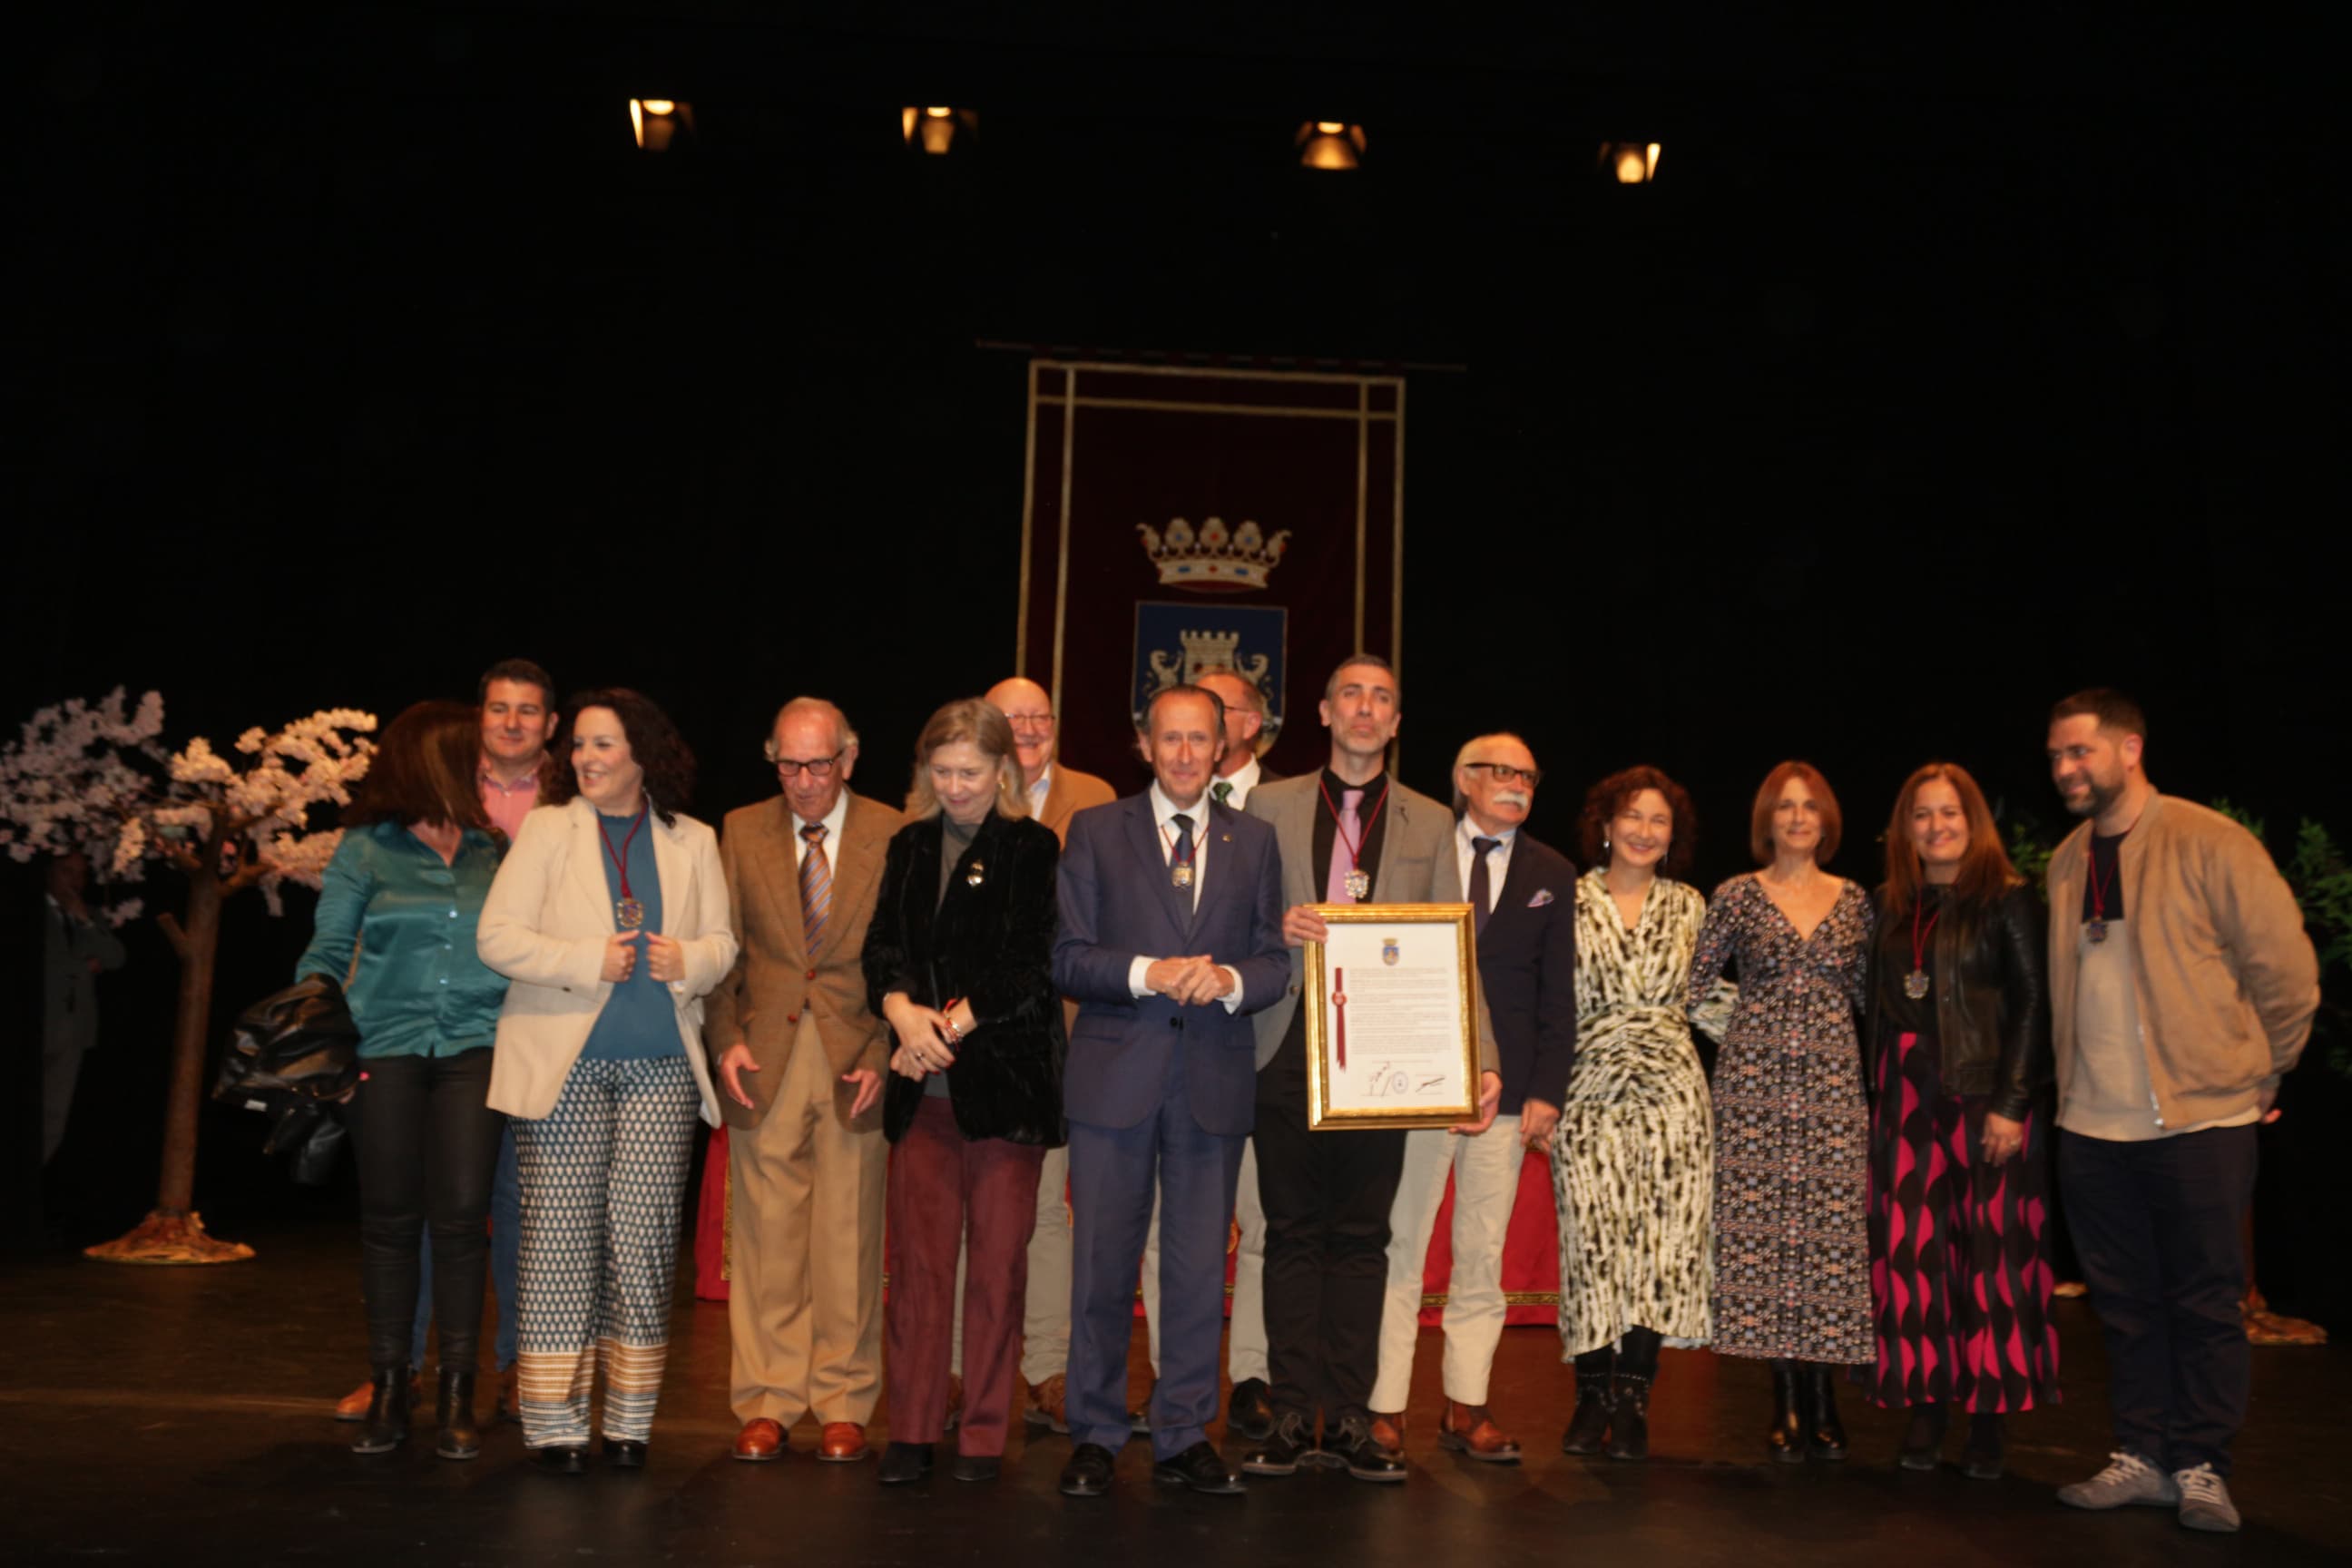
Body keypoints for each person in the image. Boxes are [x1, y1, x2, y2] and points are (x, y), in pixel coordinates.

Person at [2043, 691, 2317, 1533]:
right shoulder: (2065, 860)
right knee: (2124, 1305)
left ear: (2130, 748)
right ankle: (2142, 1454)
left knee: (2203, 1302)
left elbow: (2286, 971)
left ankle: (2202, 1465)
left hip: (2198, 1122)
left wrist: (2262, 1073)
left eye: (2079, 752)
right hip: (2092, 1127)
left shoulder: (2208, 841)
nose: (2064, 769)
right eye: (2055, 756)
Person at [1240, 654, 1502, 1484]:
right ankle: (1287, 1415)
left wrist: (1482, 1060)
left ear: (1395, 723)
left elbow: (1460, 945)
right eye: (1350, 693)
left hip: (1382, 1057)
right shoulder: (1267, 803)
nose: (1364, 708)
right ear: (1322, 711)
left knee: (1362, 1240)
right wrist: (1272, 928)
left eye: (1381, 698)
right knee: (1287, 1235)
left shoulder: (1429, 820)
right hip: (1284, 1046)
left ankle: (1350, 1418)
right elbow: (1234, 917)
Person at [477, 689, 737, 1474]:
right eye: (581, 745)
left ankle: (628, 1423)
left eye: (604, 745)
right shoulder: (550, 831)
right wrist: (589, 958)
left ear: (643, 755)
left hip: (660, 1067)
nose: (586, 759)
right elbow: (497, 938)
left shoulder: (692, 839)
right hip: (564, 1068)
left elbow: (723, 943)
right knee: (558, 1245)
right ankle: (554, 1427)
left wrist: (686, 961)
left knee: (643, 1242)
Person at [1052, 682, 1289, 1498]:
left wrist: (1225, 978)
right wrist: (1147, 972)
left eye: (1201, 739)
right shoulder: (1094, 830)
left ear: (1222, 748)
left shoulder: (1254, 841)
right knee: (1101, 1269)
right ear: (1143, 745)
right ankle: (1095, 1431)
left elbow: (1273, 963)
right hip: (1116, 1079)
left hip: (1211, 1083)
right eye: (1171, 739)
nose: (1186, 754)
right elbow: (1068, 956)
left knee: (1194, 1274)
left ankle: (1185, 1431)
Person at [336, 658, 560, 1428]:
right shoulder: (380, 842)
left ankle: (506, 1369)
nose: (507, 725)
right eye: (496, 709)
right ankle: (405, 1370)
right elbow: (333, 949)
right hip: (400, 1042)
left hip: (510, 1033)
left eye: (526, 711)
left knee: (502, 1208)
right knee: (408, 1214)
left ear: (549, 724)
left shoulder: (552, 810)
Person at [296, 701, 511, 1460]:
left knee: (459, 1221)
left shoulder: (495, 849)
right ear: (437, 762)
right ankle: (391, 1386)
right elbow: (325, 955)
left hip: (474, 1052)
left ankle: (458, 1392)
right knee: (389, 1222)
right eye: (471, 756)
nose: (485, 768)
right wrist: (322, 1054)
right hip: (382, 1050)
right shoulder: (366, 848)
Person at [862, 699, 1066, 1485]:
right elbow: (882, 946)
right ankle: (911, 1429)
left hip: (1004, 1093)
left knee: (995, 1271)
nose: (956, 787)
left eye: (971, 772)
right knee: (917, 1270)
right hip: (923, 1095)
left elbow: (1027, 964)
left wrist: (939, 1031)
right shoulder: (909, 846)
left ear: (1004, 771)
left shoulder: (1032, 846)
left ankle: (983, 1433)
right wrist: (899, 1010)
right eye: (942, 772)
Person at [705, 698, 904, 1464]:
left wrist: (887, 1052)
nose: (803, 780)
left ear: (849, 760)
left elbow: (910, 957)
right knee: (767, 1240)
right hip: (765, 1060)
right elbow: (722, 955)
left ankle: (845, 1398)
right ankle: (767, 1398)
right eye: (788, 764)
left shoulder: (893, 832)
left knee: (850, 1238)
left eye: (818, 764)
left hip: (857, 1055)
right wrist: (724, 1039)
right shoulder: (740, 829)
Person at [1367, 733, 1575, 1464]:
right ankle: (1384, 1406)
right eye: (1502, 771)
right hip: (1417, 1084)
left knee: (1480, 1254)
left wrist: (1549, 1088)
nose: (1517, 784)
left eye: (1528, 773)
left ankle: (1466, 1405)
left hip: (1511, 1093)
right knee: (1400, 1245)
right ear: (1464, 779)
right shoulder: (1421, 849)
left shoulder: (1554, 871)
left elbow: (1560, 994)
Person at [1864, 761, 2056, 1481]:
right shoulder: (1890, 903)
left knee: (1991, 1260)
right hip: (1904, 1097)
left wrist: (2013, 1104)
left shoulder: (2007, 899)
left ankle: (1987, 1422)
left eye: (1951, 813)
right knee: (1914, 1259)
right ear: (1904, 827)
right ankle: (1926, 1408)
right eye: (1922, 814)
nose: (1937, 826)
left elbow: (2035, 1005)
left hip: (1985, 1095)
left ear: (1974, 824)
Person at [1688, 760, 1874, 1463]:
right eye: (1784, 807)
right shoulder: (1736, 895)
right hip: (1755, 1089)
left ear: (1826, 820)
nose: (1797, 818)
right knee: (1766, 1245)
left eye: (1810, 807)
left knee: (1826, 1245)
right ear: (1766, 820)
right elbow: (1695, 985)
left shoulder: (1855, 899)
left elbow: (1867, 995)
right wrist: (1750, 1029)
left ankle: (1824, 1400)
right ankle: (1785, 1402)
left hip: (1831, 1085)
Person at [948, 676, 1112, 1436]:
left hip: (1066, 1036)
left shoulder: (1097, 795)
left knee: (1047, 1211)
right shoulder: (956, 794)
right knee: (963, 1210)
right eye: (1013, 719)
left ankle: (1046, 1366)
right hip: (968, 1035)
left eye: (1040, 716)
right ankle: (954, 1372)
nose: (1029, 729)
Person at [1552, 766, 1728, 1462]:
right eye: (1633, 816)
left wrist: (1787, 1037)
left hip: (1674, 1097)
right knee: (1591, 1244)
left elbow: (1709, 1001)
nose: (1645, 831)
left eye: (1660, 821)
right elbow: (1547, 1005)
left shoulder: (1691, 906)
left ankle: (1632, 1400)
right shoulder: (1564, 901)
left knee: (1661, 1250)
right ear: (1604, 824)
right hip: (1587, 1089)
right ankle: (1590, 1392)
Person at [1140, 662, 1281, 1438]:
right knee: (1174, 1234)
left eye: (1213, 717)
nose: (1193, 738)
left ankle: (1251, 1378)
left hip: (1264, 1047)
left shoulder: (1290, 808)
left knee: (1258, 1226)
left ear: (1244, 726)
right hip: (1165, 1055)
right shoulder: (1137, 818)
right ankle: (1173, 1382)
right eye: (1179, 724)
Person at [42, 849, 125, 1166]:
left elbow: (116, 958)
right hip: (37, 1022)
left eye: (81, 874)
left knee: (52, 1118)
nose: (75, 881)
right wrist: (81, 966)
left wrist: (87, 923)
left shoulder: (87, 916)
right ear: (49, 873)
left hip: (73, 1031)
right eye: (67, 872)